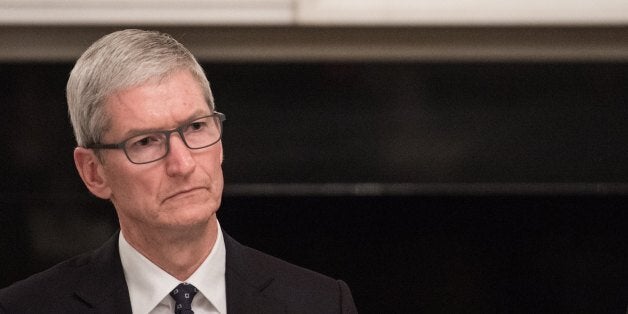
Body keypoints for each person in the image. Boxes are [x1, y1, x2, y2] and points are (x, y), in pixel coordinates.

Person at [0, 29, 357, 314]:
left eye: (196, 128)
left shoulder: (321, 302)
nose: (182, 164)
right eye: (145, 142)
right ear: (94, 172)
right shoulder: (24, 307)